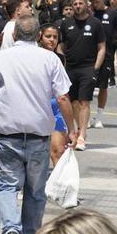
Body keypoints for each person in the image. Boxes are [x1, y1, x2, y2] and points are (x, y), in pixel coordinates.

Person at [0, 16, 76, 234]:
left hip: (8, 135)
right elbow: (64, 97)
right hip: (38, 136)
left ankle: (11, 229)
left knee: (6, 186)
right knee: (35, 190)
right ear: (37, 36)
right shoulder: (50, 59)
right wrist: (72, 128)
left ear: (13, 36)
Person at [58, 0, 105, 151]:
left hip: (88, 68)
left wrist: (95, 69)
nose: (77, 6)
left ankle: (82, 136)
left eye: (80, 3)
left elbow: (101, 48)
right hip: (70, 68)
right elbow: (60, 46)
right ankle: (77, 129)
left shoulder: (95, 23)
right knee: (72, 102)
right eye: (75, 3)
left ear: (86, 5)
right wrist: (62, 64)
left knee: (84, 101)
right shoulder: (66, 23)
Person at [38, 24, 70, 167]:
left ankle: (59, 184)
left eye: (55, 37)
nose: (52, 40)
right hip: (38, 106)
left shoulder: (60, 58)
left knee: (58, 151)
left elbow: (62, 89)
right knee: (38, 152)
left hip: (56, 107)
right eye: (48, 36)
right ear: (40, 37)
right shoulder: (33, 55)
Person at [89, 0, 117, 128]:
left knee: (103, 85)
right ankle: (87, 116)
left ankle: (99, 116)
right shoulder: (91, 13)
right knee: (87, 85)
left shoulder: (113, 13)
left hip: (107, 53)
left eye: (97, 1)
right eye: (93, 2)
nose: (95, 4)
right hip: (90, 54)